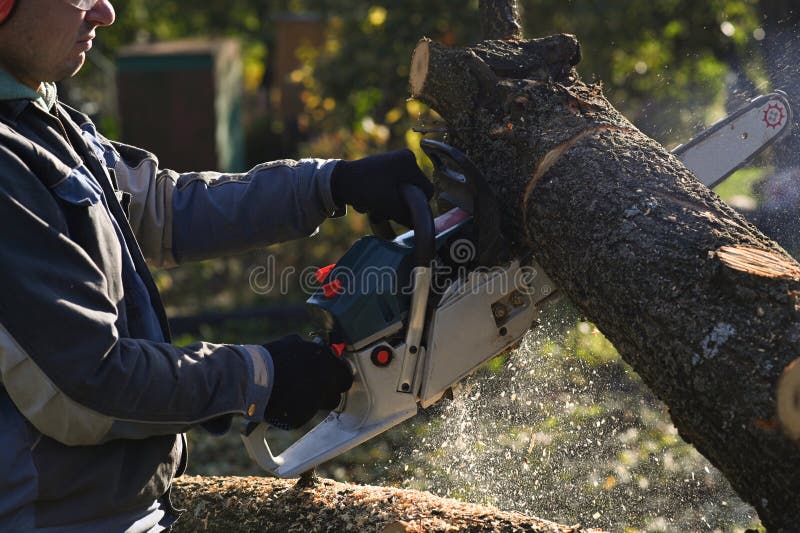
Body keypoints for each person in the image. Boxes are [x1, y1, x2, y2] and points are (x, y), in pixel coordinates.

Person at [0, 0, 434, 531]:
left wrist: (329, 183)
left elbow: (162, 209)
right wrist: (262, 376)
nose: (105, 13)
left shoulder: (37, 119)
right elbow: (87, 381)